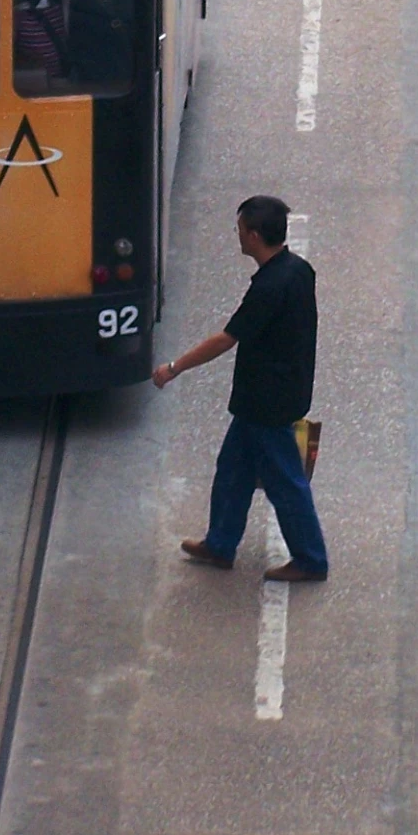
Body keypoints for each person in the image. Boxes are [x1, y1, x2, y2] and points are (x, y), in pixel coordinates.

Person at [153, 194, 327, 582]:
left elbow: (227, 338)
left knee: (286, 482)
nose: (237, 237)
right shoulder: (299, 270)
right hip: (268, 395)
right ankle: (220, 544)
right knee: (234, 469)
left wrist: (174, 367)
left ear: (253, 235)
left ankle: (311, 559)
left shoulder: (268, 287)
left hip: (268, 402)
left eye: (239, 231)